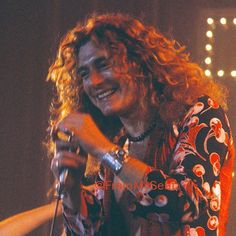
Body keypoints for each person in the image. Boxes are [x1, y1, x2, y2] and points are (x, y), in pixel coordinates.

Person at [47, 13, 234, 236]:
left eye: (103, 64)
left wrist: (102, 149)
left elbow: (187, 206)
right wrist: (71, 192)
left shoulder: (200, 114)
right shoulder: (119, 145)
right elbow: (94, 232)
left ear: (140, 63)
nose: (94, 82)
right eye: (84, 74)